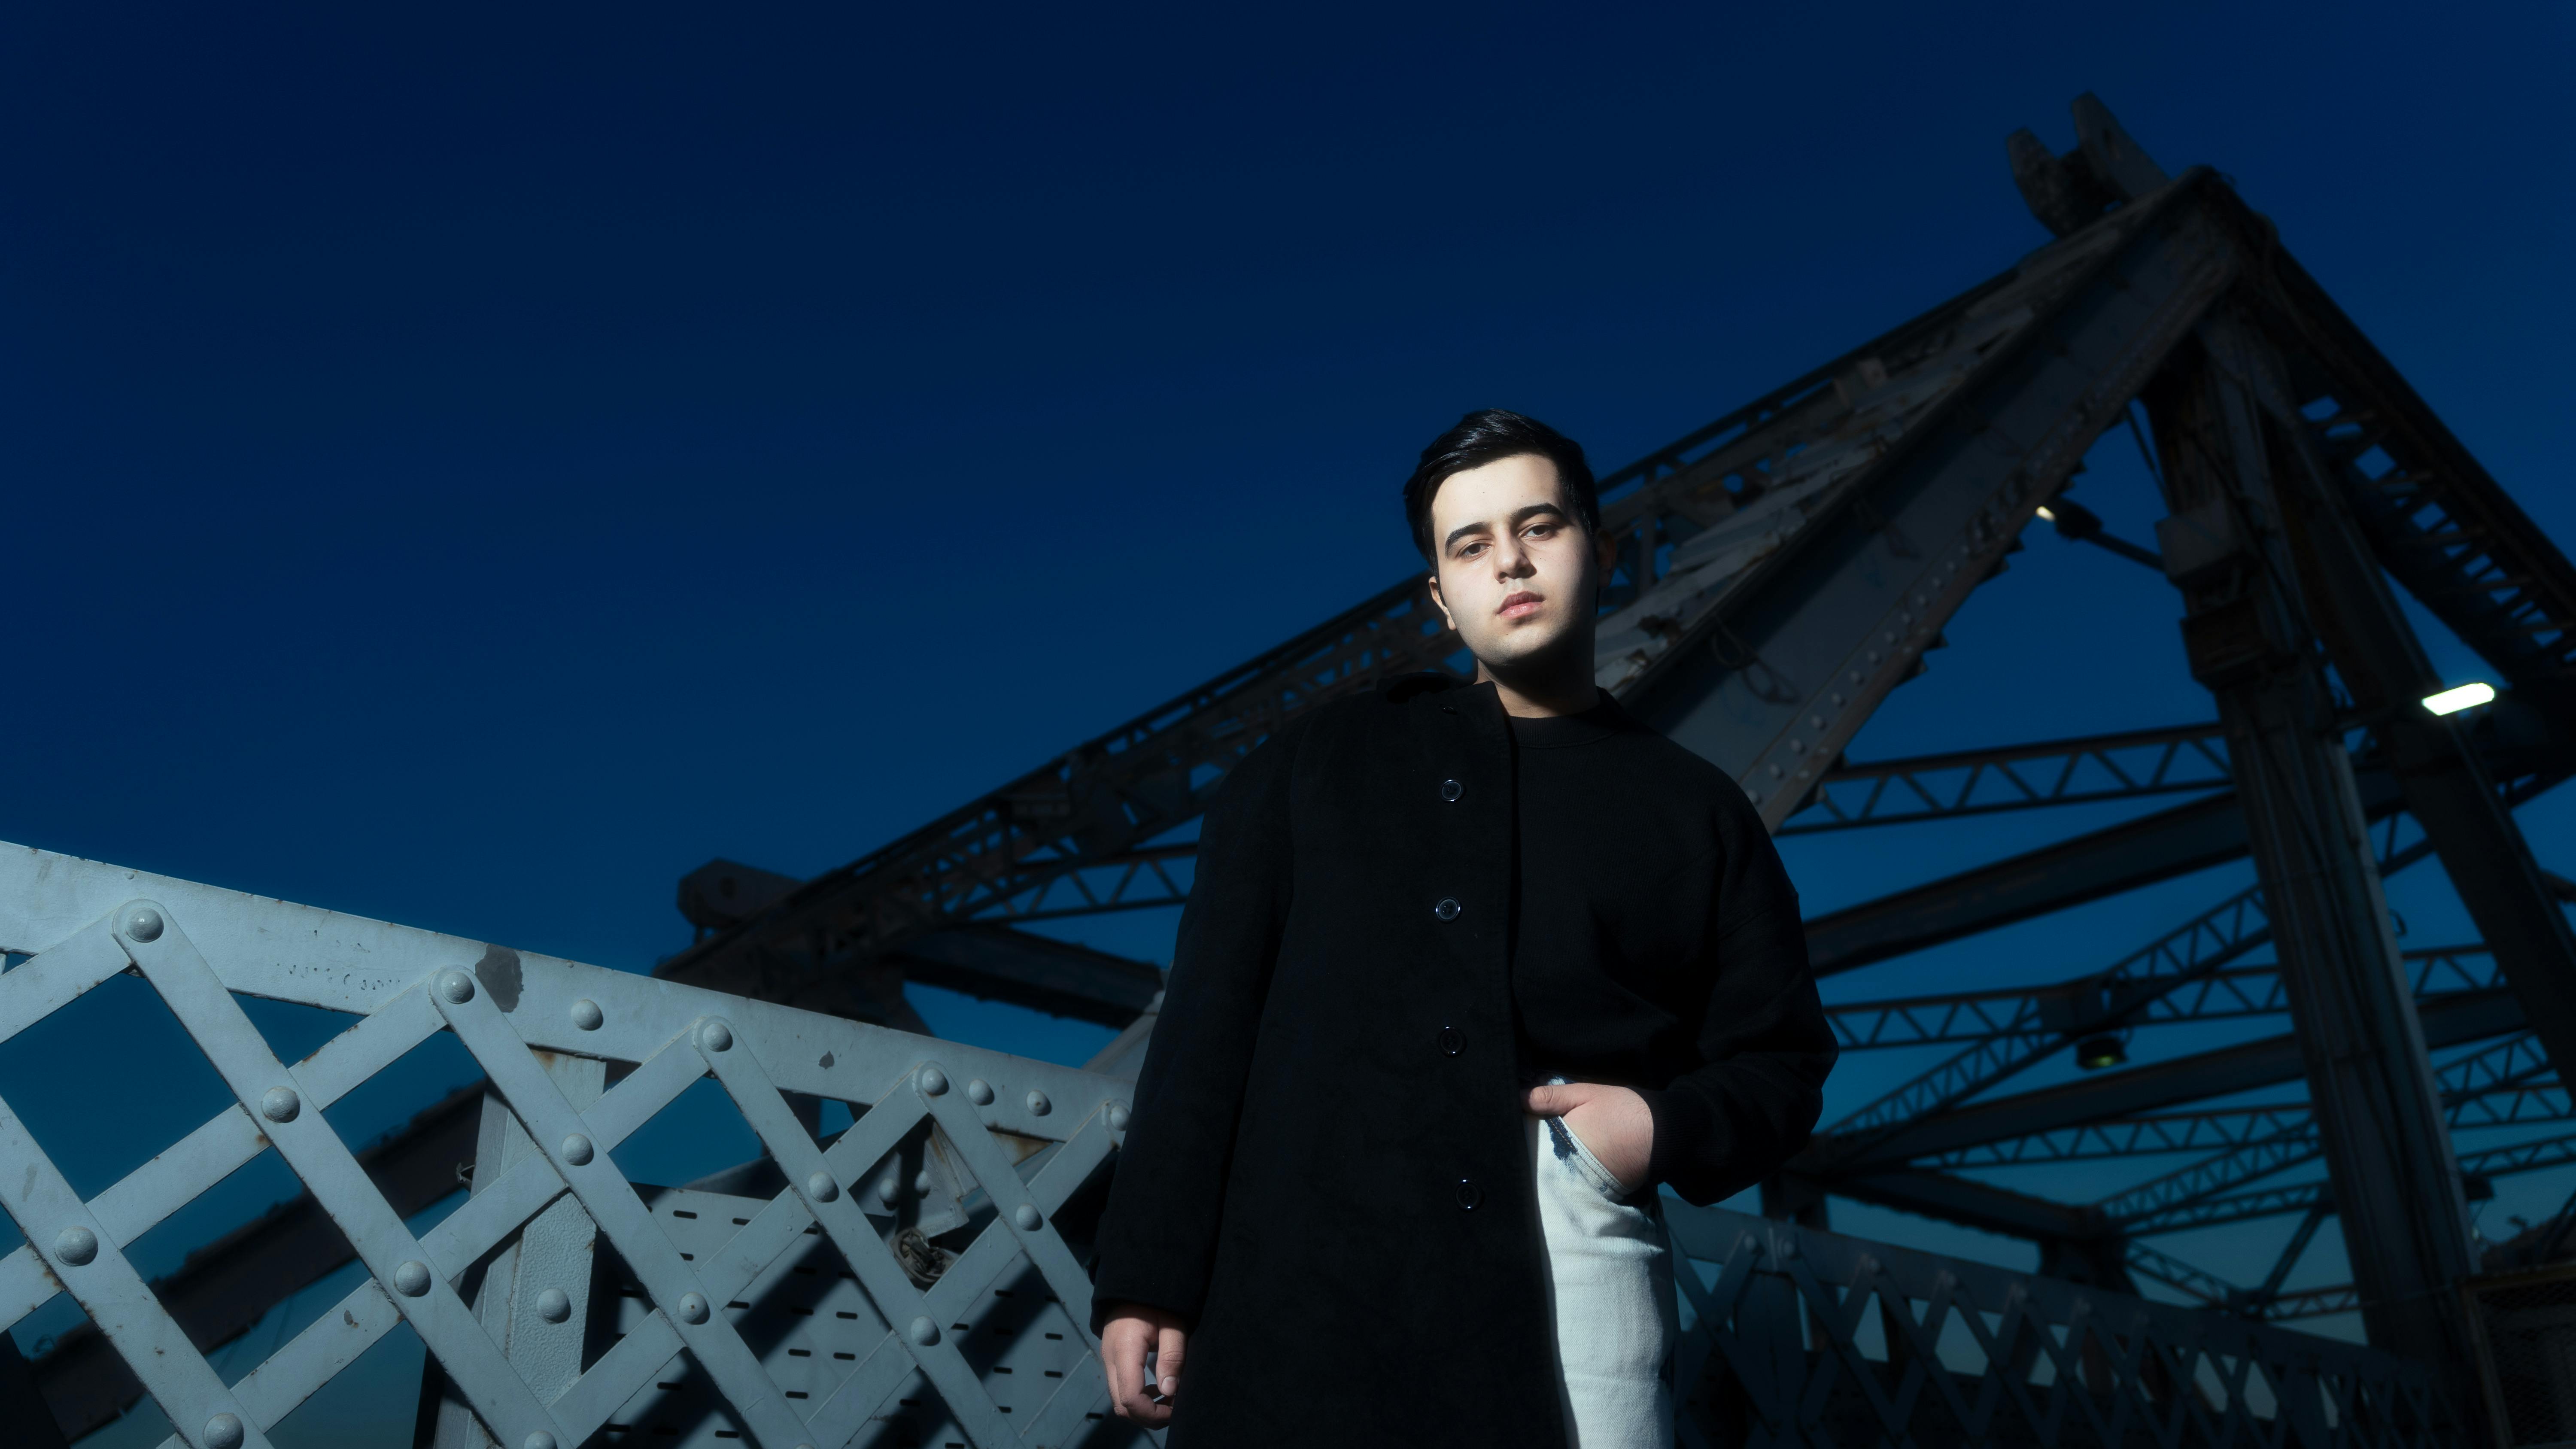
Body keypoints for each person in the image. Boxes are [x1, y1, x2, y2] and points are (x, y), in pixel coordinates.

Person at [1088, 408, 1838, 1447]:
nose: (1511, 562)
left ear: (1602, 549)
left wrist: (1642, 1132)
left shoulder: (1697, 808)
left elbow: (1782, 1058)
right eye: (1471, 544)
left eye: (1541, 526)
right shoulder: (1315, 765)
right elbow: (1210, 1018)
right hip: (1306, 1272)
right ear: (1440, 596)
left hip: (1569, 1261)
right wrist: (1146, 1275)